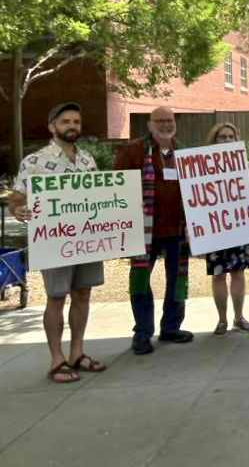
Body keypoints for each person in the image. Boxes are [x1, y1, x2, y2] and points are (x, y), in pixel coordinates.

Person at [9, 103, 107, 382]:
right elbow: (16, 201)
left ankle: (77, 353)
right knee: (56, 297)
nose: (72, 126)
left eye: (76, 121)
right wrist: (19, 211)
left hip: (87, 239)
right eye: (65, 121)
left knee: (83, 293)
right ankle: (56, 359)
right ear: (52, 126)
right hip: (54, 242)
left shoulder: (87, 160)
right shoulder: (34, 162)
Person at [114, 106, 192, 355]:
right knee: (139, 281)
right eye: (159, 121)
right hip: (144, 231)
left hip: (177, 230)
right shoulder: (134, 151)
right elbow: (116, 185)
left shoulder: (184, 153)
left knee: (177, 280)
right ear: (149, 125)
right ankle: (142, 333)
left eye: (169, 120)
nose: (165, 125)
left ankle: (170, 327)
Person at [204, 123, 249, 336]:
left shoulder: (245, 165)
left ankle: (239, 317)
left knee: (238, 273)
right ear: (214, 140)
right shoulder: (203, 166)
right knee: (218, 275)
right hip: (214, 227)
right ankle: (222, 320)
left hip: (239, 225)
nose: (227, 140)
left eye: (230, 137)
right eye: (222, 137)